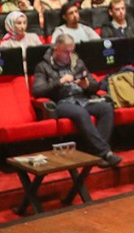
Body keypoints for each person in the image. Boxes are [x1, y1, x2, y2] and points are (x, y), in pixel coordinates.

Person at [31, 36, 123, 166]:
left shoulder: (77, 62)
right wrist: (59, 82)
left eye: (71, 51)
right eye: (65, 52)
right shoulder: (43, 66)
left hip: (83, 99)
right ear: (56, 49)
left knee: (106, 108)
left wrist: (87, 86)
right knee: (80, 113)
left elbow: (95, 85)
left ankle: (95, 154)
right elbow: (37, 90)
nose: (69, 55)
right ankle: (105, 153)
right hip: (62, 103)